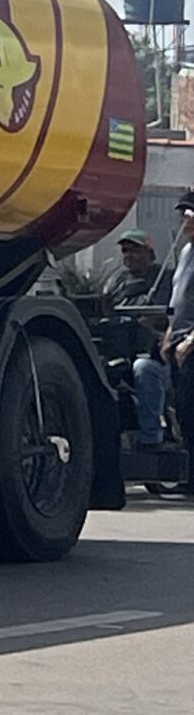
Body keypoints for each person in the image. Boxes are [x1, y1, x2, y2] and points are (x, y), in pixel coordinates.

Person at [130, 197, 194, 495]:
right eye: (183, 214)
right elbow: (178, 300)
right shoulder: (187, 252)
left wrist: (190, 340)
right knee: (185, 411)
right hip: (178, 341)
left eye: (190, 214)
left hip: (191, 343)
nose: (186, 220)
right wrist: (169, 335)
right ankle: (190, 476)